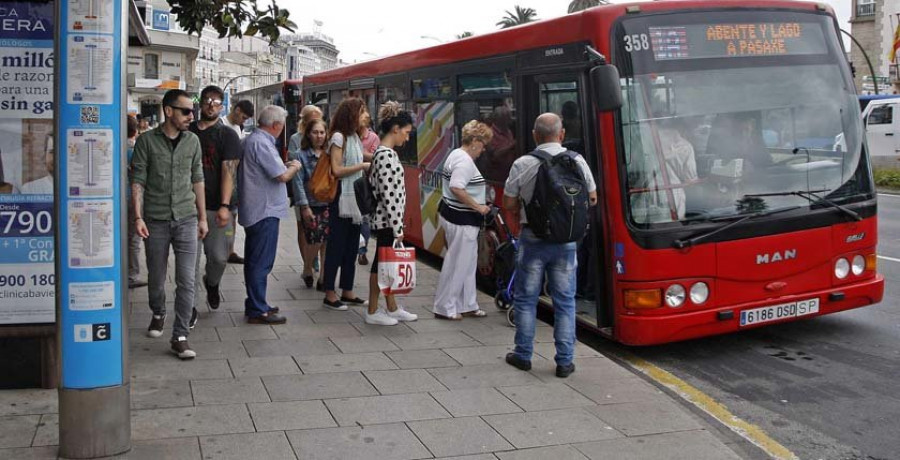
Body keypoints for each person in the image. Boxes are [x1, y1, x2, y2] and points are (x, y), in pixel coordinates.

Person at [503, 113, 597, 378]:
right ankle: (565, 362)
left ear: (535, 135)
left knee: (526, 300)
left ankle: (523, 355)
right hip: (566, 242)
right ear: (562, 134)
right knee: (565, 302)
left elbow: (508, 203)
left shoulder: (523, 163)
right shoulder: (577, 161)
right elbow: (592, 198)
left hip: (532, 239)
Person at [132, 89, 209, 360]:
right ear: (168, 111)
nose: (191, 116)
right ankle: (158, 311)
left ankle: (180, 335)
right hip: (155, 219)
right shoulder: (146, 142)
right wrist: (138, 217)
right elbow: (138, 180)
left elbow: (197, 179)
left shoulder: (192, 142)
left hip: (187, 218)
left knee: (187, 279)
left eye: (193, 111)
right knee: (156, 276)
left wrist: (202, 218)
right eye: (186, 111)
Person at [239, 105, 302, 324]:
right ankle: (257, 309)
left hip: (256, 208)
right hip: (263, 210)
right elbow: (281, 176)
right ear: (275, 125)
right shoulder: (261, 142)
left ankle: (257, 303)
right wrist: (295, 166)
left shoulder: (252, 140)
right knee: (260, 262)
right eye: (282, 125)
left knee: (256, 260)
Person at [432, 120, 492, 320]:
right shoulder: (465, 161)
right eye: (483, 145)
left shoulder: (456, 154)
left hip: (456, 216)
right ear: (475, 141)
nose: (483, 151)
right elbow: (458, 187)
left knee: (467, 262)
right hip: (462, 219)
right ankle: (446, 307)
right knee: (458, 263)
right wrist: (479, 207)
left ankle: (468, 303)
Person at [190, 86, 243, 313]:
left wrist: (224, 205)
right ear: (200, 103)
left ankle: (212, 283)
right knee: (189, 263)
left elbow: (229, 170)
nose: (211, 105)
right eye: (207, 101)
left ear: (222, 107)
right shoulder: (188, 131)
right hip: (189, 208)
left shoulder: (227, 134)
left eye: (217, 102)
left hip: (217, 208)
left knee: (219, 258)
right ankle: (188, 308)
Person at [365, 102, 418, 325]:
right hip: (387, 220)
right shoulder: (386, 155)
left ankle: (391, 307)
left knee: (384, 264)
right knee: (380, 264)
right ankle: (373, 310)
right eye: (406, 133)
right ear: (395, 129)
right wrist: (398, 228)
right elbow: (389, 194)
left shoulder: (384, 153)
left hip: (387, 220)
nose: (406, 138)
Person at [322, 97, 371, 311]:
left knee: (352, 246)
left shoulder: (354, 137)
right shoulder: (339, 137)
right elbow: (337, 170)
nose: (366, 115)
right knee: (336, 246)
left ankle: (348, 290)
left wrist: (381, 154)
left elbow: (361, 155)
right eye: (362, 112)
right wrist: (362, 165)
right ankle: (329, 293)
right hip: (341, 197)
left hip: (354, 198)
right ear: (351, 115)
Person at [289, 118, 330, 290]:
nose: (319, 136)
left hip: (329, 201)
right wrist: (304, 207)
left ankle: (323, 277)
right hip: (311, 203)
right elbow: (297, 182)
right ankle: (308, 268)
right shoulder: (300, 154)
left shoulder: (330, 153)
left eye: (322, 132)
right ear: (308, 134)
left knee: (326, 240)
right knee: (315, 240)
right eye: (315, 132)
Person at [221, 100, 254, 265]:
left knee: (232, 216)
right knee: (224, 216)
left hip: (236, 180)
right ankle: (222, 250)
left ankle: (229, 250)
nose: (244, 121)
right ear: (236, 110)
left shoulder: (238, 128)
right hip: (222, 178)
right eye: (243, 116)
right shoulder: (221, 125)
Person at [658, 117, 698, 220]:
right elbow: (691, 179)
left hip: (650, 190)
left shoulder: (652, 139)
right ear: (682, 128)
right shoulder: (686, 147)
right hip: (673, 193)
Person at [126, 116, 147, 289]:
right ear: (135, 131)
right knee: (133, 239)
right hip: (134, 200)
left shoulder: (114, 147)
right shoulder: (135, 150)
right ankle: (132, 275)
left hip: (116, 199)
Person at [357, 125, 380, 266]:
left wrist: (358, 151)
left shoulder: (373, 137)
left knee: (364, 220)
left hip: (365, 184)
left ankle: (362, 252)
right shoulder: (349, 136)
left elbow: (374, 158)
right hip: (350, 182)